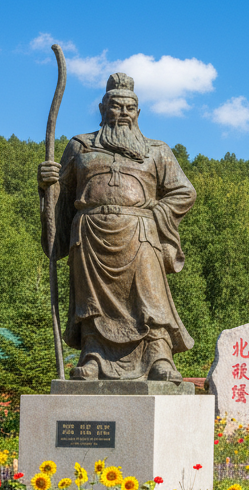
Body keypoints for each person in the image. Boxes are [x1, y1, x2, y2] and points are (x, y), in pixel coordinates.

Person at [38, 72, 195, 382]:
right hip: (90, 235)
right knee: (91, 303)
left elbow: (184, 191)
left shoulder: (156, 150)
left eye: (129, 108)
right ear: (101, 109)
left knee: (149, 297)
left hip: (140, 234)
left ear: (138, 113)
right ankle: (93, 356)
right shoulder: (80, 147)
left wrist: (156, 213)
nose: (123, 113)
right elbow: (63, 197)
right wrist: (46, 186)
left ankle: (159, 358)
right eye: (115, 106)